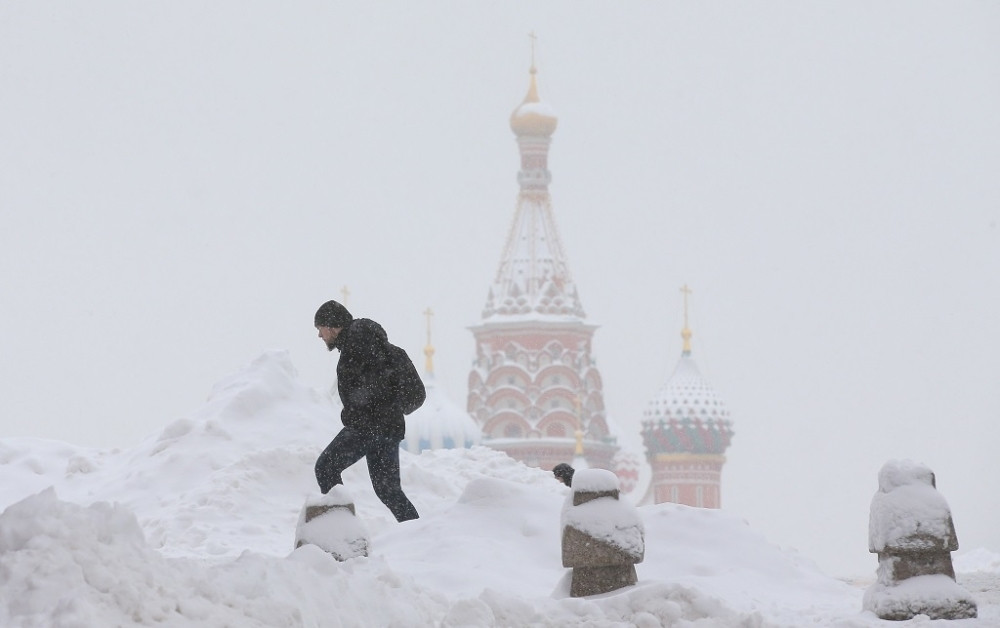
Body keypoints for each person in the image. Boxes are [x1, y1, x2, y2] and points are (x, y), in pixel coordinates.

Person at [313, 299, 423, 522]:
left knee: (325, 468)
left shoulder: (355, 348)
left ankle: (341, 529)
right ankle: (419, 532)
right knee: (388, 490)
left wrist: (354, 414)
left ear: (332, 326)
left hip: (368, 427)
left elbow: (367, 390)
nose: (319, 335)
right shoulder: (378, 345)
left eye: (320, 328)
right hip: (390, 428)